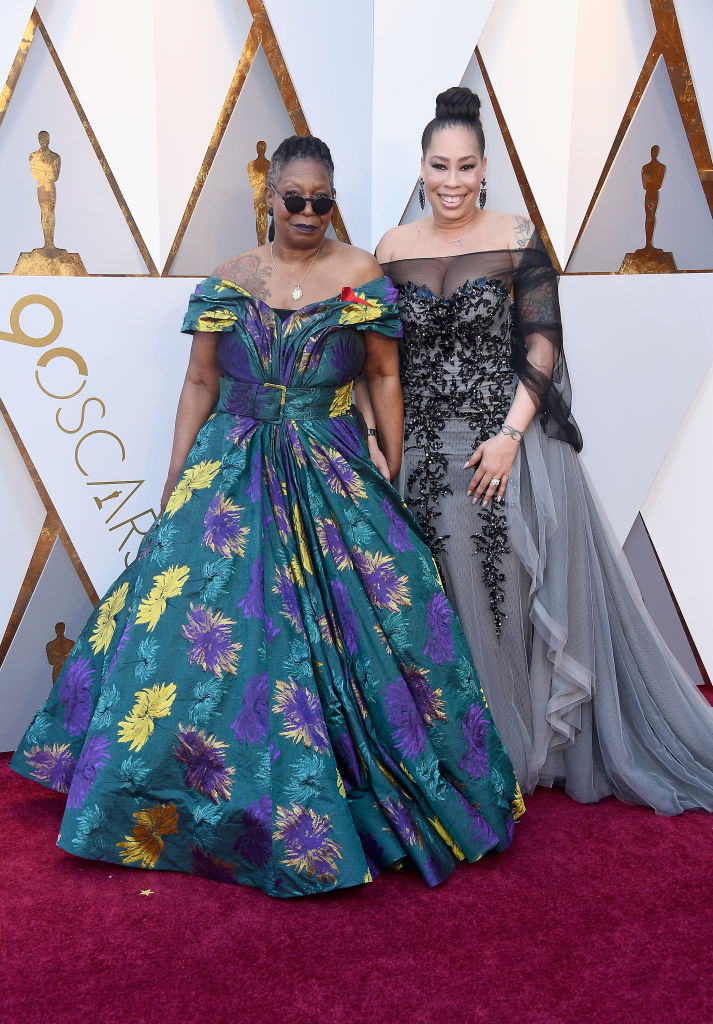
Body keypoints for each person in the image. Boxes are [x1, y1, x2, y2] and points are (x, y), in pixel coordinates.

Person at [10, 134, 522, 897]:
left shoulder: (360, 274)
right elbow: (198, 382)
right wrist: (179, 477)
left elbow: (383, 371)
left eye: (322, 199)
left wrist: (390, 450)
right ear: (271, 197)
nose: (309, 211)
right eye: (296, 199)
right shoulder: (229, 279)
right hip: (233, 462)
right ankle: (191, 800)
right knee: (193, 627)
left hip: (329, 456)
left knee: (385, 611)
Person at [377, 87, 713, 814]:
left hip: (498, 443)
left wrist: (507, 437)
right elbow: (381, 360)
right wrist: (384, 443)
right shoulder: (391, 247)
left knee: (497, 596)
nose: (452, 182)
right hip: (420, 448)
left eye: (466, 167)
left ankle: (499, 751)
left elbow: (541, 341)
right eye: (439, 166)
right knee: (432, 599)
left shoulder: (514, 233)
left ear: (485, 168)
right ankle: (450, 748)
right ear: (421, 167)